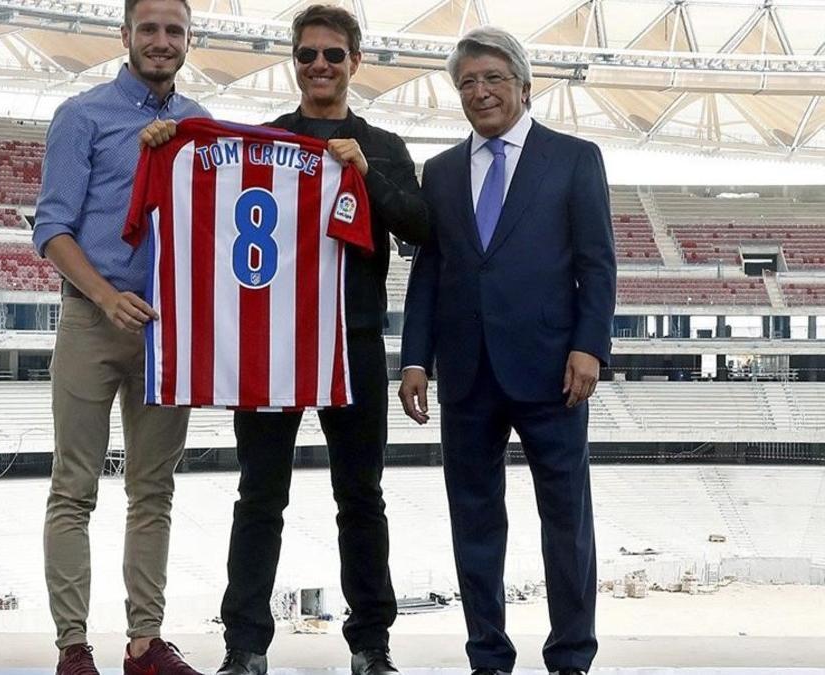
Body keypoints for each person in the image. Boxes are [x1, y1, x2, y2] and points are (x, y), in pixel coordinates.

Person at [145, 6, 428, 675]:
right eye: (307, 56)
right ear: (293, 63)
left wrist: (368, 173)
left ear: (356, 61)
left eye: (333, 55)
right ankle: (245, 645)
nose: (320, 66)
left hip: (354, 341)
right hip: (271, 341)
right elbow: (200, 188)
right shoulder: (261, 140)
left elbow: (420, 229)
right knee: (259, 494)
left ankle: (371, 644)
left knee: (361, 496)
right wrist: (168, 141)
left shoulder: (383, 144)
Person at [398, 26, 617, 675]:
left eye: (492, 77)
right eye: (467, 82)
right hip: (467, 371)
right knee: (473, 521)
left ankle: (571, 656)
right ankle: (488, 655)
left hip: (554, 369)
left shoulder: (574, 159)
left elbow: (597, 264)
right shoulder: (437, 172)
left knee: (566, 520)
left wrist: (589, 346)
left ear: (524, 85)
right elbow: (430, 269)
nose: (480, 91)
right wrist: (415, 357)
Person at [31, 2, 209, 675]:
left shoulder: (200, 127)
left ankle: (145, 641)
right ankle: (73, 647)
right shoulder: (83, 116)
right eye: (150, 29)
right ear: (126, 35)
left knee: (153, 488)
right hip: (91, 319)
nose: (161, 42)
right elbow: (51, 228)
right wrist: (106, 297)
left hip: (170, 331)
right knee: (73, 486)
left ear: (189, 40)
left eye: (174, 31)